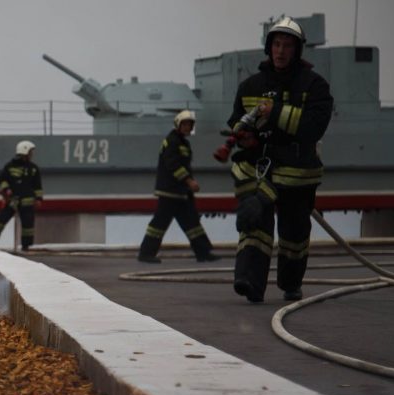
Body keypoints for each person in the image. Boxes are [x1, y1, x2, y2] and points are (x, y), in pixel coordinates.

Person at [227, 16, 333, 303]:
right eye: (276, 44)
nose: (281, 51)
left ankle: (290, 282)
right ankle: (249, 282)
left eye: (287, 45)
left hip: (296, 173)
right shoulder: (250, 86)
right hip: (258, 169)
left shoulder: (314, 86)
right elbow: (236, 120)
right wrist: (243, 135)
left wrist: (274, 111)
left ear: (297, 50)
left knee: (294, 234)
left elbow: (313, 128)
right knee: (254, 224)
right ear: (269, 47)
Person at [137, 110, 220, 264]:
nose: (188, 127)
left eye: (190, 125)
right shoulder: (172, 141)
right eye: (185, 124)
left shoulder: (183, 143)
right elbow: (173, 165)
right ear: (178, 125)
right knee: (159, 224)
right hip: (169, 191)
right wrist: (189, 181)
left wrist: (188, 185)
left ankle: (203, 253)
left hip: (181, 192)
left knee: (192, 223)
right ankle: (146, 254)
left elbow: (185, 166)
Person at [0, 140, 43, 250]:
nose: (32, 154)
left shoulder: (33, 168)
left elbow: (37, 185)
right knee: (1, 220)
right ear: (24, 152)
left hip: (27, 201)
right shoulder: (10, 166)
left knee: (28, 224)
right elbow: (2, 179)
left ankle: (26, 246)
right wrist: (6, 189)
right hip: (12, 200)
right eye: (30, 152)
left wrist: (39, 199)